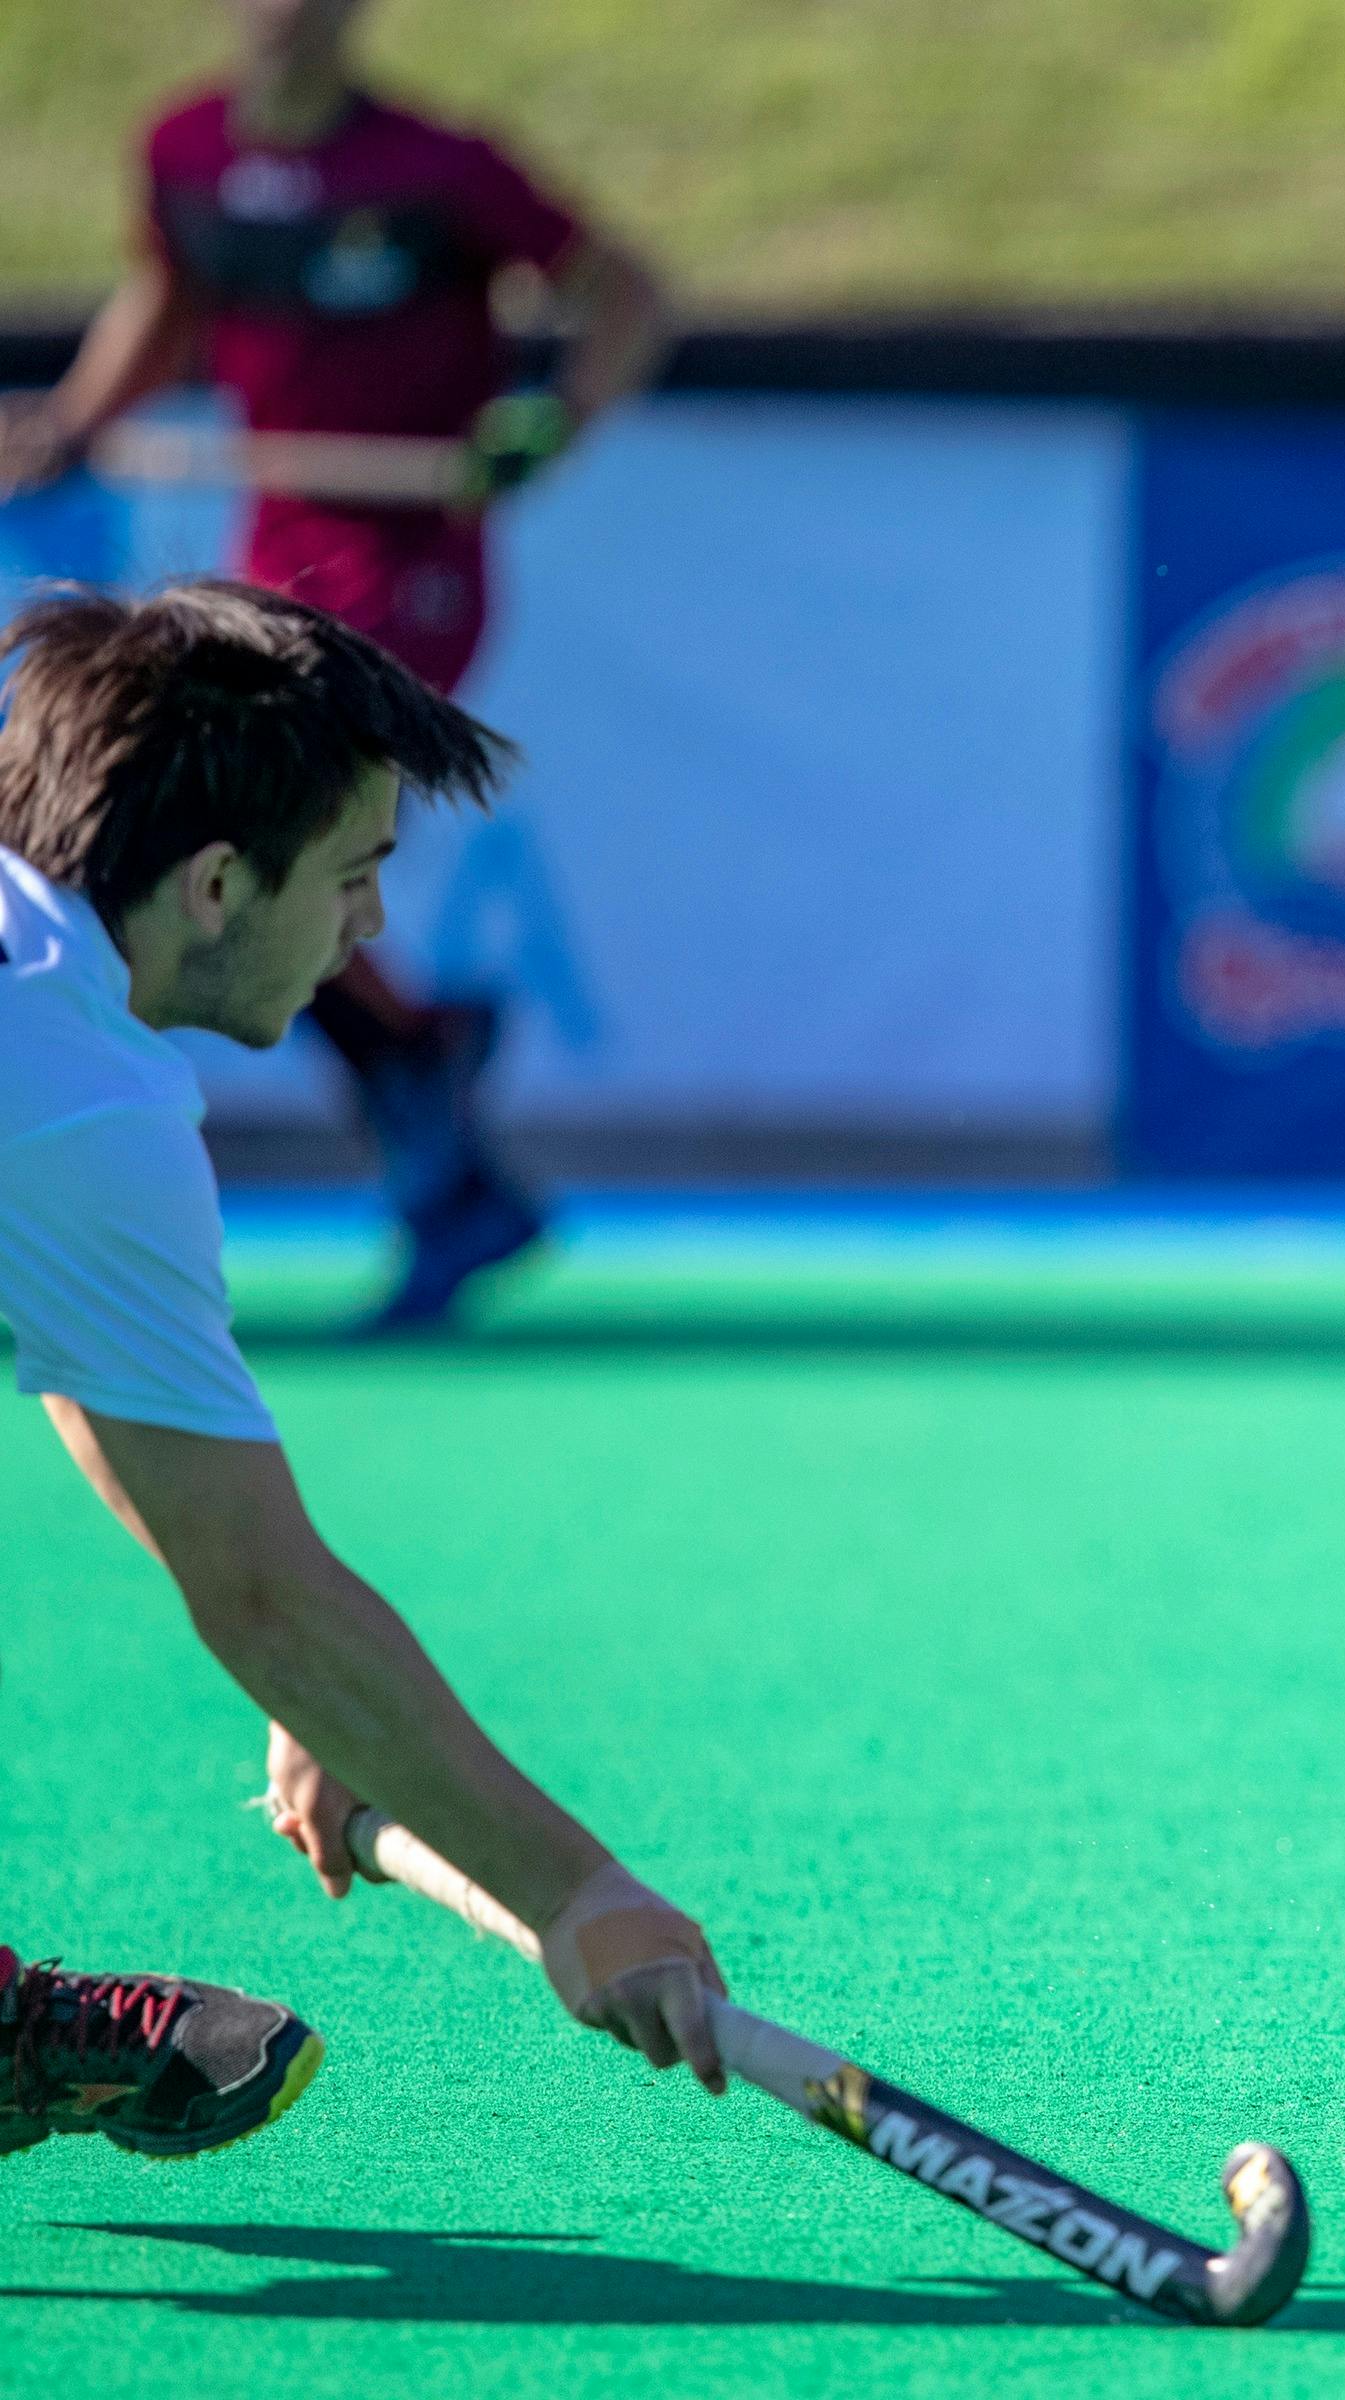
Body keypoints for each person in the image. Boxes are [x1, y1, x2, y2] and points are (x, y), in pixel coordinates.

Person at [0, 581, 723, 2157]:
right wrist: (578, 1892)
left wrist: (321, 1691)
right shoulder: (74, 1094)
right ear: (210, 885)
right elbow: (260, 1591)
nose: (372, 932)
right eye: (354, 874)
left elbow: (109, 1402)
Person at [0, 0, 670, 1329]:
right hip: (272, 558)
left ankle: (425, 1085)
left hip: (414, 564)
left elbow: (626, 294)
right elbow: (168, 296)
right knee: (217, 856)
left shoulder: (438, 167)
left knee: (237, 834)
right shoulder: (186, 151)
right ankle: (430, 1093)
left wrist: (559, 415)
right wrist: (78, 419)